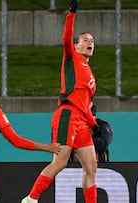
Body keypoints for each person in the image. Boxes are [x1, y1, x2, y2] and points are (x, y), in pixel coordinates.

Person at [21, 0, 99, 202]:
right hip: (67, 115)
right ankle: (30, 199)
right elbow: (65, 37)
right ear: (76, 45)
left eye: (92, 40)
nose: (90, 42)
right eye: (85, 39)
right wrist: (71, 14)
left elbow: (85, 104)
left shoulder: (89, 73)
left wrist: (93, 124)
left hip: (81, 119)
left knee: (91, 166)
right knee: (60, 161)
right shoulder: (71, 57)